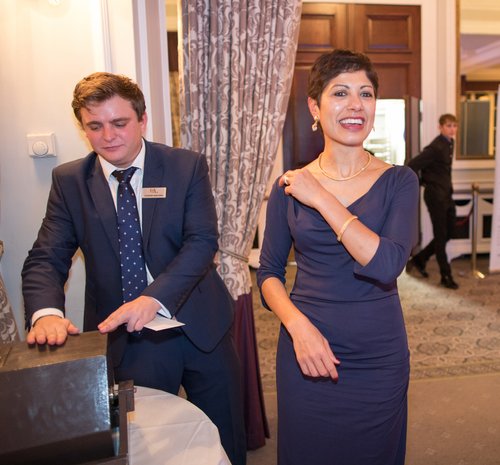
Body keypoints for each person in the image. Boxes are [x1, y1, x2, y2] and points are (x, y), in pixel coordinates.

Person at [22, 72, 246, 465]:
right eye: (95, 126)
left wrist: (152, 298)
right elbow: (46, 257)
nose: (108, 136)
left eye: (119, 123)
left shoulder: (184, 166)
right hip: (128, 339)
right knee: (145, 447)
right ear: (83, 128)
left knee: (223, 439)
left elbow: (201, 243)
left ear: (142, 120)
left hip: (201, 326)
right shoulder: (70, 181)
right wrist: (47, 313)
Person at [256, 49, 419, 465]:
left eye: (365, 94)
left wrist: (322, 198)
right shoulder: (289, 186)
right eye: (340, 93)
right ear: (315, 107)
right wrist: (298, 328)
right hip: (307, 349)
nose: (355, 105)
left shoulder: (399, 181)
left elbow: (386, 265)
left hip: (377, 355)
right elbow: (269, 274)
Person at [405, 113, 459, 289]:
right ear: (440, 127)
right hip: (435, 196)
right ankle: (445, 275)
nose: (452, 129)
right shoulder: (435, 147)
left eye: (454, 126)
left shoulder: (450, 143)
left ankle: (420, 259)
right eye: (448, 126)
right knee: (441, 236)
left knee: (449, 232)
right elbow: (412, 165)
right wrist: (424, 182)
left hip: (446, 195)